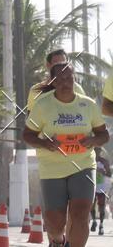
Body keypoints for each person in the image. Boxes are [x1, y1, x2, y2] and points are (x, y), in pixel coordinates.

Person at [23, 59, 109, 247]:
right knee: (55, 222)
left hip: (83, 166)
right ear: (52, 82)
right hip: (52, 169)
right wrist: (45, 143)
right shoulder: (43, 106)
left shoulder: (87, 105)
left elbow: (103, 135)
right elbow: (27, 135)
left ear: (74, 79)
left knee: (80, 215)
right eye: (60, 79)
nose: (65, 82)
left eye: (69, 78)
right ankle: (58, 241)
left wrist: (93, 140)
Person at [91, 148, 111, 235]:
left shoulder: (104, 161)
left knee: (101, 206)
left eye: (98, 151)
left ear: (100, 152)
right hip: (91, 185)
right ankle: (94, 221)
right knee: (91, 205)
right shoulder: (89, 161)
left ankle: (101, 225)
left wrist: (103, 172)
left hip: (102, 187)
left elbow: (109, 174)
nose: (97, 152)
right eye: (95, 150)